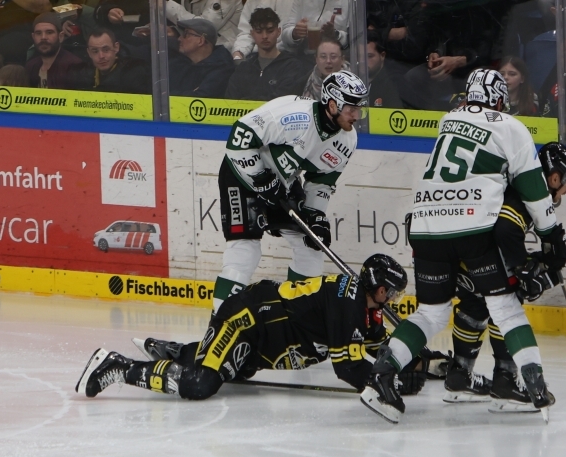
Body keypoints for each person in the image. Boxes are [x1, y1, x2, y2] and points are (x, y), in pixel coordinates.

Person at [360, 69, 565, 424]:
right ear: (499, 100)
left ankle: (382, 374)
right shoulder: (510, 126)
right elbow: (534, 189)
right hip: (473, 228)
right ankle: (533, 383)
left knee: (431, 313)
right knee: (504, 308)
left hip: (424, 226)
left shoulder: (449, 120)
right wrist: (552, 237)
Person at [76, 255, 421, 400]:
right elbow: (348, 368)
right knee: (200, 384)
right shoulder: (349, 304)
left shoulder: (364, 309)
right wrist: (389, 383)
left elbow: (383, 348)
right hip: (246, 321)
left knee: (235, 371)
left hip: (259, 344)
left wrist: (422, 362)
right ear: (378, 288)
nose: (392, 298)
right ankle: (117, 366)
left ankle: (177, 351)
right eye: (391, 292)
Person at [211, 70, 368, 314]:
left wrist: (315, 215)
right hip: (242, 175)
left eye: (359, 109)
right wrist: (262, 180)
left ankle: (296, 320)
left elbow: (321, 182)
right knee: (245, 250)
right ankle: (220, 321)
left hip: (282, 181)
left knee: (310, 246)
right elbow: (239, 139)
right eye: (351, 109)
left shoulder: (347, 141)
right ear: (332, 104)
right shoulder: (293, 116)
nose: (357, 116)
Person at [446, 143, 566, 412]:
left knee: (474, 305)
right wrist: (523, 266)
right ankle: (506, 380)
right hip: (482, 257)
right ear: (554, 177)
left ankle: (459, 374)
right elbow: (506, 230)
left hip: (459, 249)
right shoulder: (528, 191)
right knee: (509, 301)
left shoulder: (516, 179)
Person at [224, 7, 308, 101]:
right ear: (252, 33)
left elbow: (285, 100)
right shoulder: (243, 68)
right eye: (259, 31)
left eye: (270, 31)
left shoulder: (291, 66)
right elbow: (229, 100)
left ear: (278, 32)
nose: (264, 36)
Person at [168, 18, 234, 98]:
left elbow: (203, 98)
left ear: (201, 41)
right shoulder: (177, 63)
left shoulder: (222, 69)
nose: (179, 39)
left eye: (186, 34)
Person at [75, 28, 150, 94]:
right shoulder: (81, 75)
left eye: (106, 50)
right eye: (95, 51)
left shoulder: (134, 73)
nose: (101, 56)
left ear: (116, 48)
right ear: (89, 53)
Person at [25, 13, 85, 89]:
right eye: (38, 33)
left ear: (61, 36)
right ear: (33, 37)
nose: (43, 37)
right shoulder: (31, 66)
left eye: (49, 32)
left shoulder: (74, 66)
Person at [165, 0, 243, 52]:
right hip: (195, 47)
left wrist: (166, 6)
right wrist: (175, 31)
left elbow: (205, 26)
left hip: (221, 50)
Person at [280, 0, 349, 55]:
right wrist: (294, 33)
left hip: (335, 56)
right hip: (303, 55)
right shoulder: (301, 1)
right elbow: (284, 35)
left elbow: (352, 41)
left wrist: (336, 35)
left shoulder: (349, 2)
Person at [366, 31, 403, 108]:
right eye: (359, 56)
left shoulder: (394, 84)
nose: (363, 61)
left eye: (369, 56)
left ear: (382, 56)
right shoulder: (352, 80)